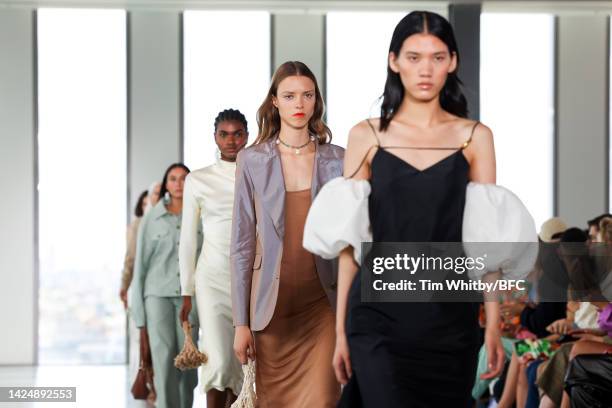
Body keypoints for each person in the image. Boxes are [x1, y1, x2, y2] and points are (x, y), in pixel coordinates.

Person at [304, 11, 520, 407]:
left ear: (452, 62)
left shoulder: (475, 137)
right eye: (414, 56)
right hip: (377, 316)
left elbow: (484, 239)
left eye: (437, 57)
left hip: (449, 318)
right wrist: (340, 332)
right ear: (394, 61)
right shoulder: (365, 135)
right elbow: (351, 246)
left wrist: (492, 324)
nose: (426, 69)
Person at [231, 61, 344, 407]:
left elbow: (351, 240)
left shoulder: (339, 159)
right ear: (275, 102)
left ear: (316, 101)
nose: (299, 104)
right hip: (271, 309)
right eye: (290, 95)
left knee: (325, 400)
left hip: (324, 305)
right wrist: (240, 323)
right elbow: (242, 245)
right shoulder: (251, 160)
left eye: (307, 95)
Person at [178, 109, 249, 408]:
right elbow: (187, 240)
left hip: (249, 280)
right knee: (218, 362)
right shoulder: (198, 180)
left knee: (244, 363)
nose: (231, 140)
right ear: (215, 137)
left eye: (237, 134)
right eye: (224, 134)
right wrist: (186, 291)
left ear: (247, 136)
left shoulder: (257, 174)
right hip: (211, 280)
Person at [131, 163, 200, 408]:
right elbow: (140, 265)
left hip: (189, 297)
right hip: (157, 296)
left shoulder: (200, 213)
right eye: (173, 179)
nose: (179, 183)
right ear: (166, 183)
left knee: (189, 362)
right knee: (163, 361)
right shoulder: (152, 218)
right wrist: (138, 312)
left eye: (184, 178)